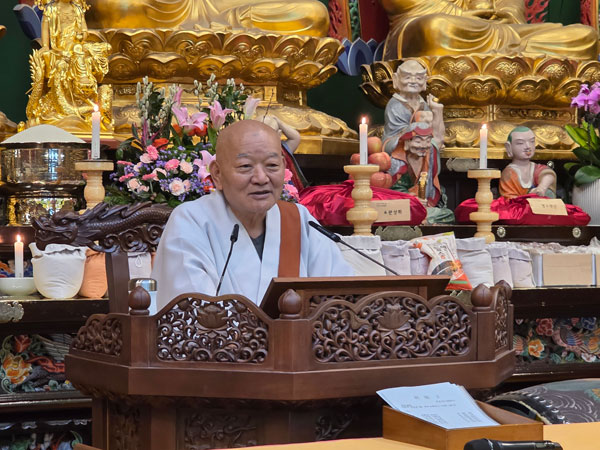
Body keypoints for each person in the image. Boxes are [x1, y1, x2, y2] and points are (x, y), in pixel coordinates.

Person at [152, 120, 354, 309]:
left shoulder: (297, 219)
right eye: (245, 166)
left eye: (272, 166)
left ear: (284, 167)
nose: (261, 178)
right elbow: (192, 313)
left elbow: (339, 298)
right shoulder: (191, 221)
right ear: (217, 174)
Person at [379, 0, 598, 60]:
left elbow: (512, 7)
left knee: (585, 37)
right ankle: (518, 58)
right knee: (436, 28)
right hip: (433, 29)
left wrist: (505, 13)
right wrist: (459, 14)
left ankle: (513, 56)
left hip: (501, 30)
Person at [27, 0, 111, 124]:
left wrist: (81, 35)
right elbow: (45, 28)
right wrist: (45, 46)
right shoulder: (50, 10)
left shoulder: (77, 10)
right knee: (73, 54)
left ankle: (85, 88)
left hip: (77, 44)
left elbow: (85, 31)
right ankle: (82, 82)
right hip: (59, 47)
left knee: (105, 48)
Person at [86, 0, 329, 37]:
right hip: (161, 9)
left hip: (226, 8)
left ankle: (228, 27)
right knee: (116, 6)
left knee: (314, 13)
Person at [388, 122, 454, 224]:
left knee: (448, 214)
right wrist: (412, 198)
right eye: (418, 141)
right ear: (407, 142)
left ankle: (423, 221)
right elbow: (391, 192)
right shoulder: (396, 162)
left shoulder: (429, 158)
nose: (423, 146)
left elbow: (439, 138)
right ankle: (423, 221)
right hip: (403, 207)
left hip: (423, 206)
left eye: (428, 141)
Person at [382, 60, 444, 155]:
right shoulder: (394, 105)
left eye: (419, 78)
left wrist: (437, 110)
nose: (413, 81)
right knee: (424, 144)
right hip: (398, 142)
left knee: (433, 144)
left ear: (425, 80)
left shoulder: (423, 103)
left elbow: (432, 130)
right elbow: (401, 133)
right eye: (407, 77)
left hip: (421, 140)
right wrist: (420, 128)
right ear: (396, 79)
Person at [500, 126, 556, 199]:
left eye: (532, 141)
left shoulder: (536, 168)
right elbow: (508, 198)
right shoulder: (508, 173)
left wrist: (541, 188)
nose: (528, 146)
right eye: (520, 143)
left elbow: (548, 174)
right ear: (509, 147)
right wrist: (529, 198)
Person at [263, 114, 307, 190]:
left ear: (279, 134)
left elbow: (295, 137)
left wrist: (280, 123)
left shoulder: (283, 149)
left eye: (272, 134)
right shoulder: (253, 151)